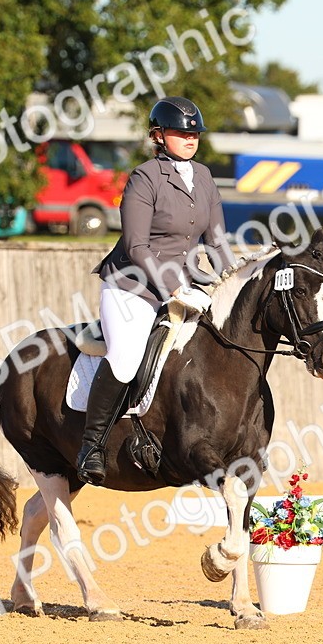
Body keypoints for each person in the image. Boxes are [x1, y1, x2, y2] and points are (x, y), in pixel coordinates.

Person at [75, 96, 236, 485]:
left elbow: (216, 243)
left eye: (194, 132)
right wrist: (173, 289)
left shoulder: (205, 178)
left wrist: (230, 275)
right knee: (128, 358)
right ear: (159, 136)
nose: (190, 137)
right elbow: (136, 245)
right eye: (181, 132)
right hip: (133, 286)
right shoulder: (145, 177)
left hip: (184, 286)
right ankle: (91, 446)